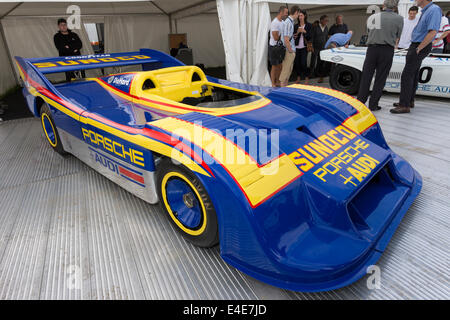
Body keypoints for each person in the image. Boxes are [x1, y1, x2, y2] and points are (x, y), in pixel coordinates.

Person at [391, 0, 442, 114]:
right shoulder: (426, 11)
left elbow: (433, 32)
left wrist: (419, 48)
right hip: (417, 44)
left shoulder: (433, 10)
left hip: (419, 45)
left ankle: (404, 105)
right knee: (412, 74)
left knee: (407, 75)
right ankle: (409, 101)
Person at [357, 0, 403, 111]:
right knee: (380, 78)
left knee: (366, 76)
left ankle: (360, 102)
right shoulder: (399, 18)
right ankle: (373, 105)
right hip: (387, 50)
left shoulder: (373, 17)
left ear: (383, 6)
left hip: (372, 49)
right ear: (395, 7)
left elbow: (368, 31)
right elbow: (398, 35)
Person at [279, 6, 300, 87]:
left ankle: (285, 87)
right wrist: (291, 50)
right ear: (296, 12)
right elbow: (286, 39)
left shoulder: (289, 22)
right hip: (289, 50)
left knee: (289, 70)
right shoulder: (288, 22)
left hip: (290, 49)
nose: (298, 16)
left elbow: (287, 37)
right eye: (298, 14)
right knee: (286, 69)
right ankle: (282, 88)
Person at [269, 6, 289, 87]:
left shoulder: (283, 22)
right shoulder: (275, 22)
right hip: (274, 47)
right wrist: (284, 36)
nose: (287, 14)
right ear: (281, 12)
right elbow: (275, 37)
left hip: (280, 47)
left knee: (280, 66)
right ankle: (273, 84)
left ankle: (277, 82)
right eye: (286, 13)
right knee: (274, 66)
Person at [293, 10, 312, 84]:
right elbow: (293, 37)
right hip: (297, 47)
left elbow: (310, 37)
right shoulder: (295, 26)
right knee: (297, 63)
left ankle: (306, 77)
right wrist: (297, 32)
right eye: (299, 16)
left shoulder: (309, 25)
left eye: (301, 15)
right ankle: (298, 77)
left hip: (304, 47)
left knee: (303, 63)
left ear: (305, 16)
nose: (300, 17)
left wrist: (304, 32)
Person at [310, 15, 329, 83]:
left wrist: (327, 46)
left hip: (323, 47)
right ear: (321, 20)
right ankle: (311, 73)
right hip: (315, 47)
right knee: (313, 61)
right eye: (325, 20)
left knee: (320, 61)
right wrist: (311, 46)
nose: (327, 22)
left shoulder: (326, 28)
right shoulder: (315, 27)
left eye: (327, 21)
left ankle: (317, 73)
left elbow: (326, 38)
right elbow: (312, 37)